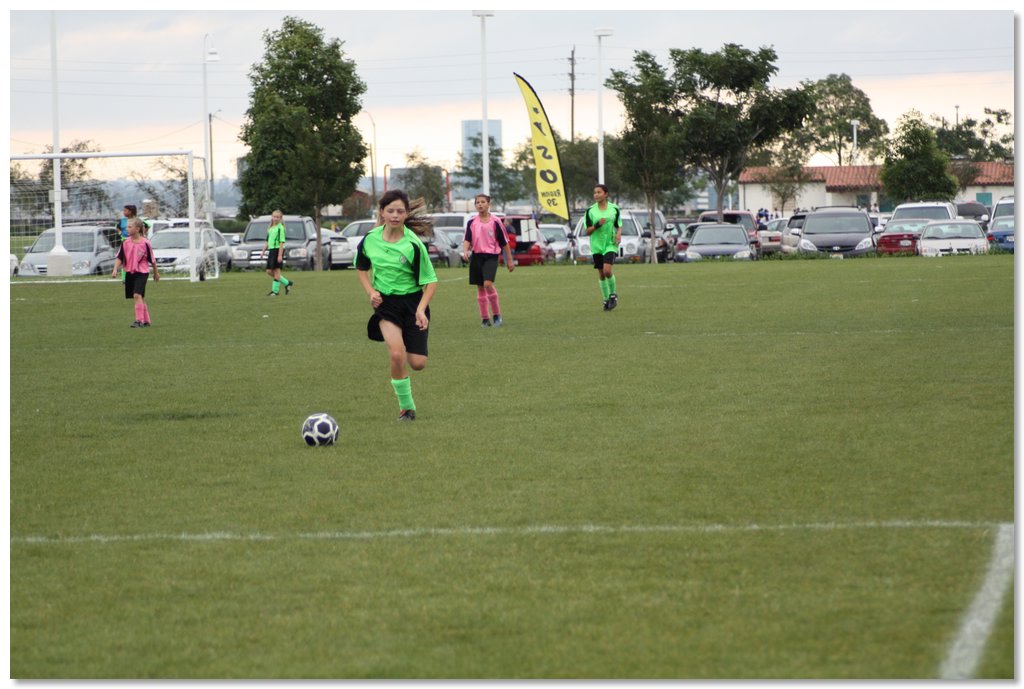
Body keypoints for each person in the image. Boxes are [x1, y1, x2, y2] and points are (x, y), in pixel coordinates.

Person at [356, 190, 438, 422]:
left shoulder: (413, 245)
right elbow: (361, 268)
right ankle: (406, 408)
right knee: (396, 353)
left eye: (400, 211)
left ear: (406, 213)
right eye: (390, 211)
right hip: (387, 305)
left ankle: (407, 401)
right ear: (381, 212)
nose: (394, 215)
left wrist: (421, 309)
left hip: (413, 304)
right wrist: (371, 292)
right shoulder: (370, 239)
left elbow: (431, 281)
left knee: (418, 363)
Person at [461, 194, 514, 327]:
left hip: (491, 256)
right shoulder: (472, 222)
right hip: (477, 256)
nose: (480, 204)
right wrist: (465, 251)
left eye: (483, 202)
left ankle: (496, 315)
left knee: (488, 284)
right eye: (477, 202)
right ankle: (485, 319)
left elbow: (504, 242)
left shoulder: (495, 221)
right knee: (480, 287)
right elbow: (467, 239)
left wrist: (509, 260)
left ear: (488, 204)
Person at [111, 217, 159, 328]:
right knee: (140, 296)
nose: (127, 229)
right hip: (130, 272)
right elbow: (120, 257)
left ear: (137, 229)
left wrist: (156, 273)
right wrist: (115, 269)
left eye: (129, 227)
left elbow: (152, 260)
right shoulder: (126, 242)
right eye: (126, 227)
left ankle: (139, 321)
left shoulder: (145, 243)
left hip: (142, 272)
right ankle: (147, 321)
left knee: (136, 295)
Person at [584, 184, 622, 311]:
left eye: (599, 192)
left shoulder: (614, 209)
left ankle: (613, 295)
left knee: (607, 271)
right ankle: (606, 299)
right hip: (597, 246)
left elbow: (619, 224)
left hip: (610, 244)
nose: (596, 195)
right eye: (595, 192)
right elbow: (587, 231)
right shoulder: (590, 211)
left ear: (606, 194)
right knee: (601, 274)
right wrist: (597, 225)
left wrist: (618, 234)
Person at [263, 210, 293, 296]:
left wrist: (280, 255)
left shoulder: (280, 228)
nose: (275, 218)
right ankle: (287, 283)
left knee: (276, 271)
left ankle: (275, 291)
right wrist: (263, 250)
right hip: (271, 251)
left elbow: (281, 242)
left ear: (280, 218)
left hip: (277, 250)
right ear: (272, 217)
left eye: (277, 217)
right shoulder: (271, 228)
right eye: (274, 217)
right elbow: (267, 241)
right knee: (269, 271)